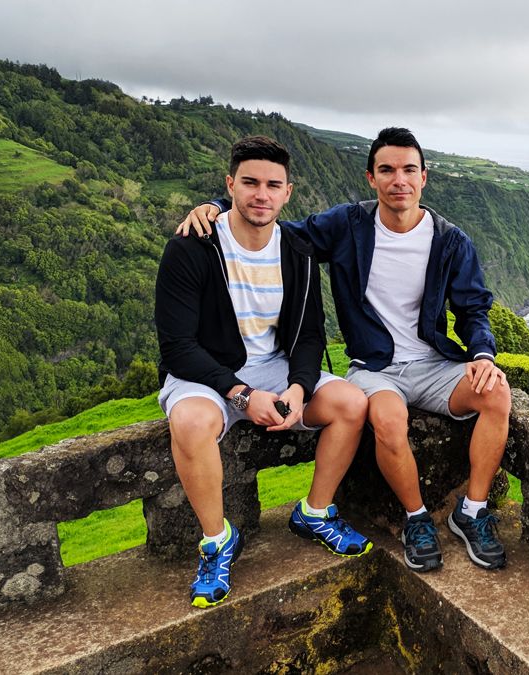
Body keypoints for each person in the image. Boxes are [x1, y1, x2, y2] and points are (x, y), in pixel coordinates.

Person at [178, 127, 511, 573]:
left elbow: (473, 308)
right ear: (371, 178)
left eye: (409, 170)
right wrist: (217, 208)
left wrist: (483, 356)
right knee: (388, 417)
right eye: (387, 170)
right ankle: (416, 519)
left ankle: (471, 511)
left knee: (497, 395)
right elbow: (271, 223)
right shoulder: (348, 225)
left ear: (424, 177)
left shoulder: (450, 241)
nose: (400, 180)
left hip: (435, 364)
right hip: (376, 367)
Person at [157, 135, 373, 608]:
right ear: (230, 185)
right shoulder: (192, 247)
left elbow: (310, 334)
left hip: (275, 368)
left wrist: (299, 387)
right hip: (207, 371)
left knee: (352, 403)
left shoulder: (297, 250)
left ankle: (314, 512)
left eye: (273, 185)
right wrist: (239, 393)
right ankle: (216, 542)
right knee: (191, 423)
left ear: (288, 192)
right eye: (250, 182)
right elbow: (177, 347)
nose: (262, 194)